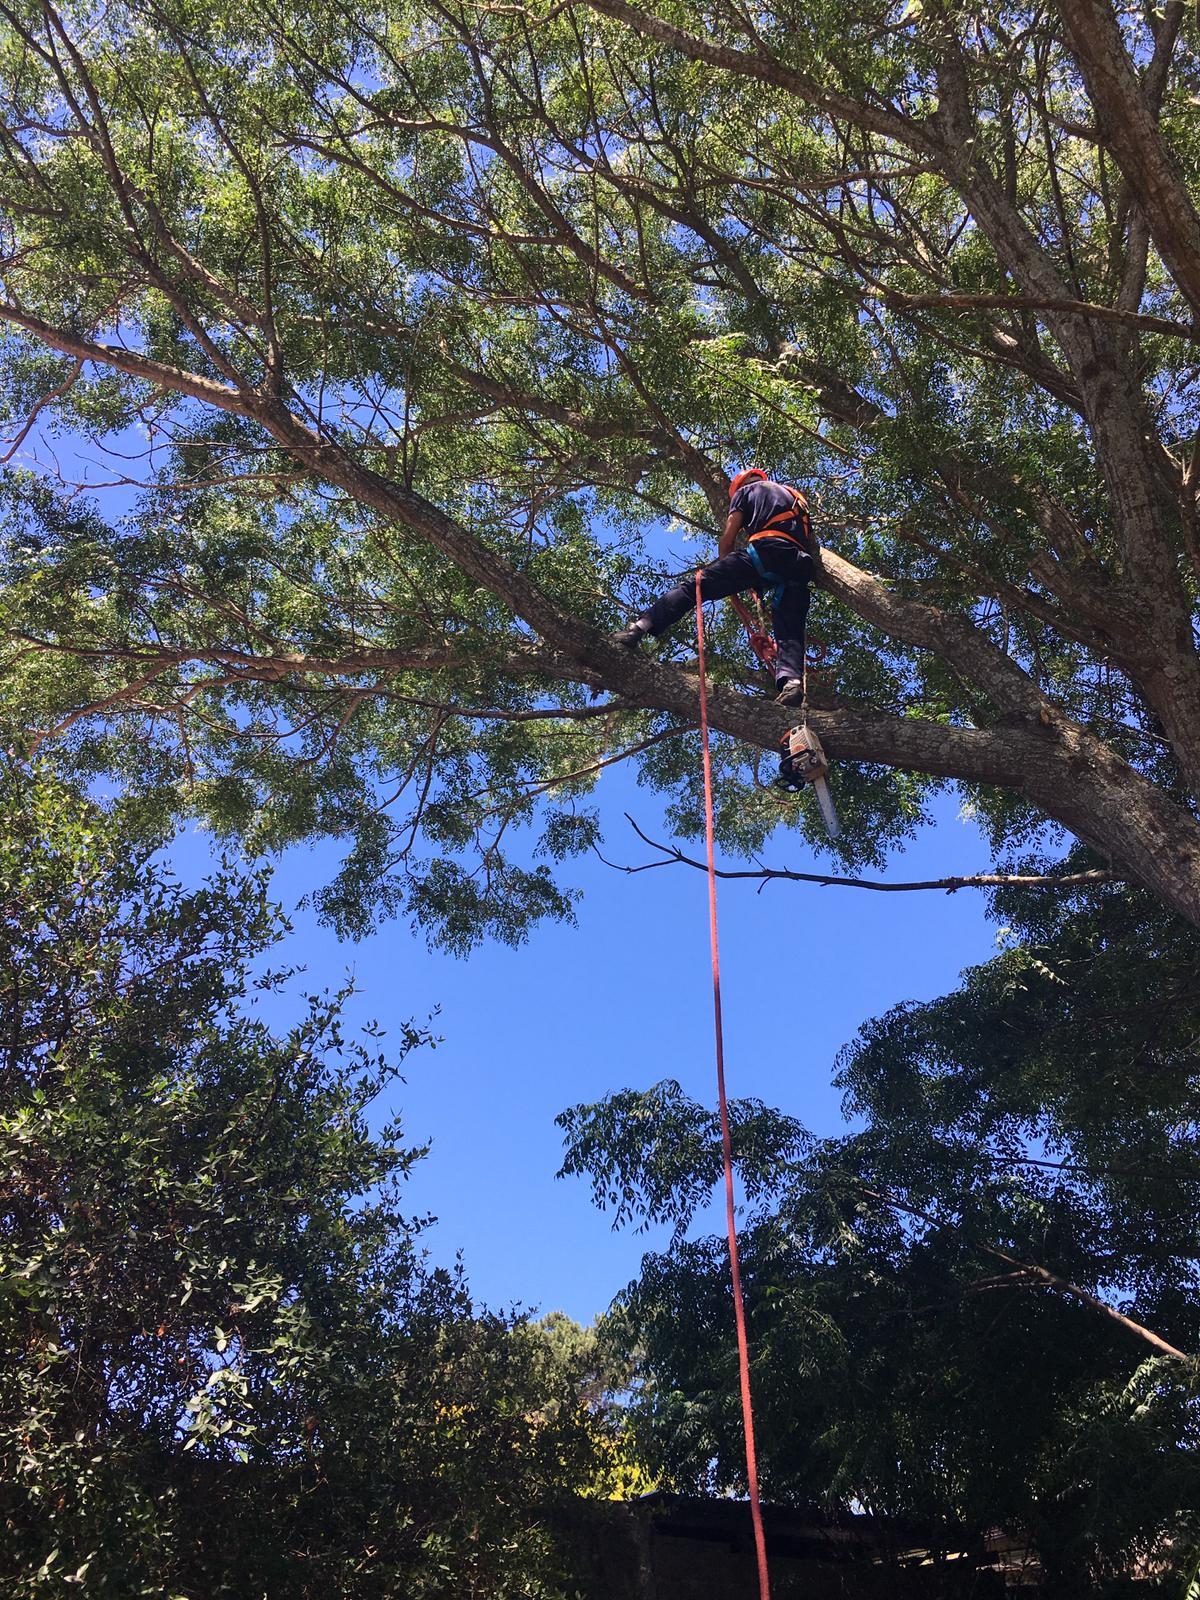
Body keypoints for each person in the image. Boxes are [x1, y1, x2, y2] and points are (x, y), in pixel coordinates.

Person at [611, 467, 815, 704]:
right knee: (790, 626)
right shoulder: (795, 497)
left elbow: (728, 537)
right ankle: (792, 684)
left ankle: (638, 629)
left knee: (695, 587)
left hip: (766, 551)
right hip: (799, 564)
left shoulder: (746, 491)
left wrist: (727, 569)